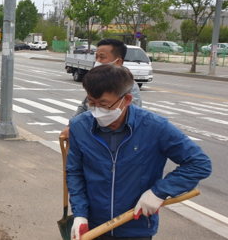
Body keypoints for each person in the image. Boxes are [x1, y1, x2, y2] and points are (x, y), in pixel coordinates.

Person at [66, 64, 211, 240]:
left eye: (104, 105)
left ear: (126, 99)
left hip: (137, 228)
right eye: (92, 103)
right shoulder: (80, 126)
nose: (97, 111)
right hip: (94, 226)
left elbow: (199, 163)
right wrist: (80, 213)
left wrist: (159, 192)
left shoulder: (155, 127)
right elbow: (75, 171)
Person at [60, 38, 142, 139]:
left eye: (102, 58)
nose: (98, 61)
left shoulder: (128, 86)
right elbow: (84, 106)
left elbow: (127, 117)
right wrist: (71, 126)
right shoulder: (98, 82)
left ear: (118, 62)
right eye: (96, 57)